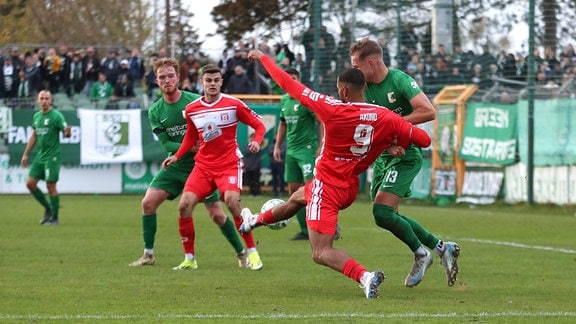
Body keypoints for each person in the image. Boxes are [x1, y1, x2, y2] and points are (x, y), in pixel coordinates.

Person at [241, 50, 432, 299]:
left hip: (327, 187)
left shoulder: (331, 108)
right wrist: (394, 137)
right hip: (349, 188)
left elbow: (288, 83)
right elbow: (424, 139)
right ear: (364, 87)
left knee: (320, 252)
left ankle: (366, 277)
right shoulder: (386, 117)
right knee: (298, 197)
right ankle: (253, 221)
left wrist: (264, 58)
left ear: (342, 91)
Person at [349, 37, 460, 288]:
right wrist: (388, 142)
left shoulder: (398, 80)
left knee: (381, 211)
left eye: (357, 66)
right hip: (384, 156)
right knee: (386, 216)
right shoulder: (362, 88)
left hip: (405, 157)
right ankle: (443, 248)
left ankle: (422, 254)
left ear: (371, 62)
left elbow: (428, 111)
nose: (354, 72)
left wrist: (397, 128)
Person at [129, 58, 258, 270]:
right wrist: (189, 147)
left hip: (202, 166)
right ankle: (148, 255)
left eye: (171, 75)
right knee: (148, 203)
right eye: (162, 77)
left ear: (178, 77)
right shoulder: (155, 111)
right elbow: (166, 143)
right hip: (177, 164)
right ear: (156, 81)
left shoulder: (194, 101)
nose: (167, 80)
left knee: (217, 214)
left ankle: (242, 253)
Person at [161, 64, 266, 271]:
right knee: (183, 206)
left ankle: (253, 254)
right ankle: (190, 259)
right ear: (202, 82)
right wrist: (177, 156)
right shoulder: (192, 109)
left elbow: (259, 125)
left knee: (231, 202)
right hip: (203, 167)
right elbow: (191, 136)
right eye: (208, 80)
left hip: (228, 164)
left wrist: (257, 140)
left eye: (216, 80)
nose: (212, 84)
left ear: (221, 81)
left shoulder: (233, 104)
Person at [274, 68, 322, 241]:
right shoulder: (284, 100)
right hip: (292, 151)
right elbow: (283, 124)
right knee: (294, 191)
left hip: (307, 150)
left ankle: (324, 226)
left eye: (293, 78)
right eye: (288, 79)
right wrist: (277, 146)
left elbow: (322, 120)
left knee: (312, 190)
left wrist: (322, 144)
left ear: (299, 80)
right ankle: (304, 231)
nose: (290, 81)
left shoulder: (306, 99)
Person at [20, 90, 71, 225]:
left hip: (52, 157)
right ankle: (48, 208)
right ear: (38, 100)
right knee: (30, 184)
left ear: (51, 100)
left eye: (46, 99)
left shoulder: (56, 116)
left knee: (50, 186)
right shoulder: (37, 116)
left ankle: (55, 218)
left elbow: (66, 132)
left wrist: (67, 132)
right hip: (40, 156)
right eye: (41, 98)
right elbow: (34, 136)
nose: (44, 101)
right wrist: (25, 154)